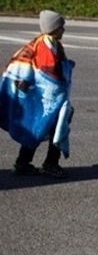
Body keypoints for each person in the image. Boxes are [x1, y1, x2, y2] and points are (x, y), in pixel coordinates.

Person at [0, 10, 74, 178]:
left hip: (39, 96)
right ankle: (50, 164)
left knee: (36, 127)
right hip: (47, 98)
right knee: (56, 127)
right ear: (53, 28)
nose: (63, 30)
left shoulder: (47, 42)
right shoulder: (46, 46)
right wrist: (60, 90)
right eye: (61, 27)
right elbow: (48, 75)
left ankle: (22, 163)